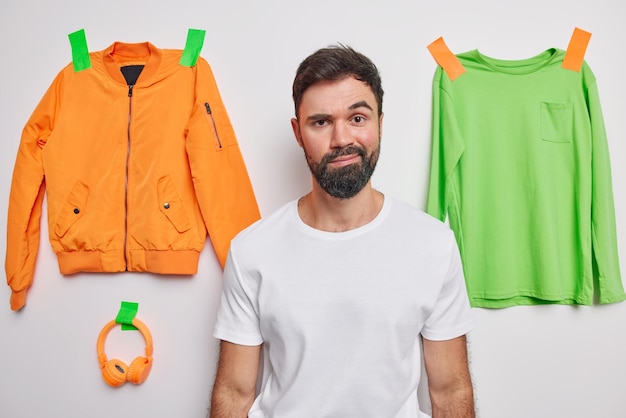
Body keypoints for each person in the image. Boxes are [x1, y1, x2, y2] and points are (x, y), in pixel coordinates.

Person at [210, 44, 475, 418]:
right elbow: (234, 393)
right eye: (321, 122)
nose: (341, 140)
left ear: (380, 122)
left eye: (357, 118)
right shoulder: (253, 250)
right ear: (298, 133)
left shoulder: (432, 244)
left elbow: (450, 390)